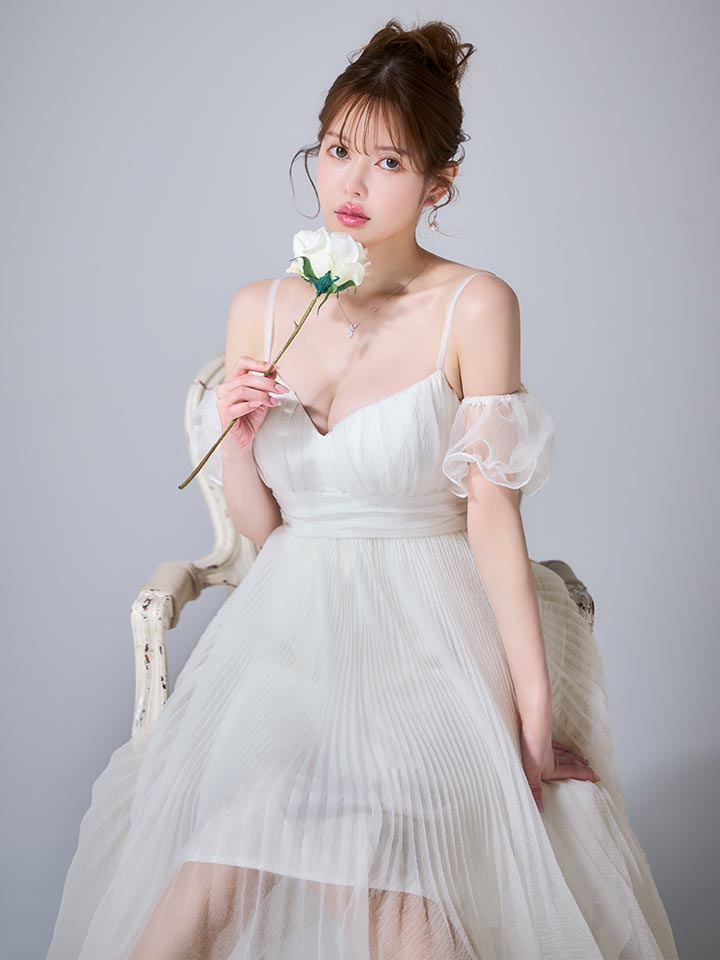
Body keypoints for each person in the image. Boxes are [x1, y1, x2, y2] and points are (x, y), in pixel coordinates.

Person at [47, 18, 679, 960]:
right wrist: (239, 440)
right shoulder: (263, 307)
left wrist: (533, 714)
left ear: (438, 183)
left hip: (429, 637)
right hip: (292, 635)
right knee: (236, 828)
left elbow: (493, 517)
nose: (351, 184)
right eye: (338, 150)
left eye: (388, 163)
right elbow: (264, 531)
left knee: (384, 838)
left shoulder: (476, 305)